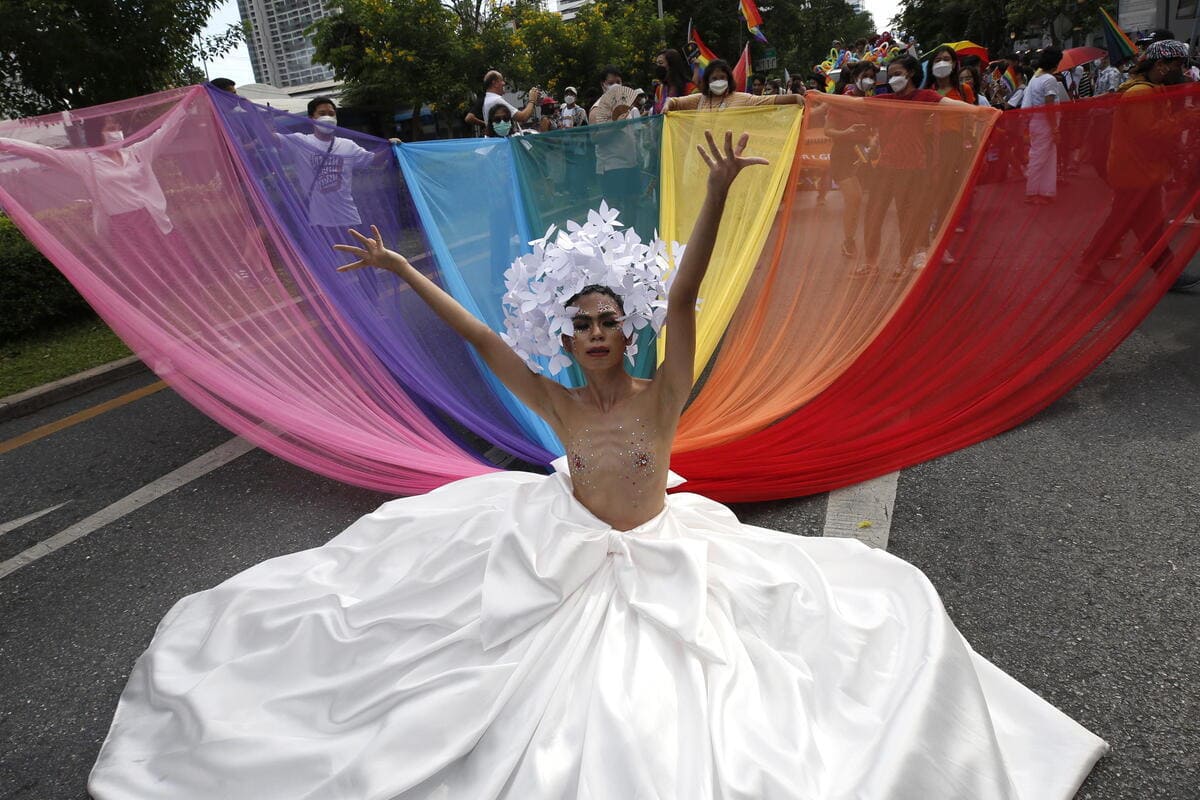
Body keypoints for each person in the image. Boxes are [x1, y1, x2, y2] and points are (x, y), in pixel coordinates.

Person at [88, 129, 1107, 799]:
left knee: (820, 646)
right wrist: (404, 270)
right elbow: (488, 344)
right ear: (565, 338)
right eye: (581, 325)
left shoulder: (664, 391)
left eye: (610, 319)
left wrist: (712, 197)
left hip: (662, 549)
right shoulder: (558, 400)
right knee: (446, 668)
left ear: (628, 325)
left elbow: (693, 293)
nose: (597, 333)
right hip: (568, 552)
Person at [1078, 40, 1199, 291]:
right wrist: (1187, 118)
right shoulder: (1141, 93)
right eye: (1177, 64)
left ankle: (1167, 272)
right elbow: (1149, 133)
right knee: (1125, 224)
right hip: (1134, 172)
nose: (1182, 70)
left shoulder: (1152, 89)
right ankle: (1089, 265)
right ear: (1161, 65)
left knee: (1146, 227)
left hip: (1142, 171)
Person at [860, 54, 967, 277]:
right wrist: (818, 97)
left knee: (907, 216)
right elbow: (855, 103)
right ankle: (871, 262)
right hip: (886, 166)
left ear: (910, 73)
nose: (893, 79)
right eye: (890, 76)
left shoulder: (925, 96)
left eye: (897, 74)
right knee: (873, 214)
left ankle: (903, 261)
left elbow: (955, 106)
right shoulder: (886, 99)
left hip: (913, 167)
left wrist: (986, 112)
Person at [276, 96, 399, 234]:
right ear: (311, 118)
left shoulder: (348, 145)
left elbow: (373, 160)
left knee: (358, 255)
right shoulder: (300, 142)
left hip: (349, 217)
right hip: (318, 221)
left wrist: (390, 146)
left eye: (331, 113)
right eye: (322, 114)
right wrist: (263, 119)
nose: (327, 117)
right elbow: (269, 138)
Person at [825, 62, 875, 258]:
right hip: (842, 155)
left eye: (872, 76)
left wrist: (873, 140)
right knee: (854, 198)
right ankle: (848, 241)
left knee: (861, 200)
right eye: (866, 75)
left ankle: (855, 239)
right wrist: (846, 132)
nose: (869, 79)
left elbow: (874, 130)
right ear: (856, 77)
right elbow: (827, 130)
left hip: (863, 156)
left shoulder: (871, 102)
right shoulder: (841, 101)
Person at [665, 59, 802, 111]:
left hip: (731, 161)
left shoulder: (742, 98)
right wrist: (667, 106)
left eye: (722, 77)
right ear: (707, 81)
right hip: (701, 159)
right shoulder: (700, 100)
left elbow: (768, 100)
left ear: (729, 79)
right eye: (714, 78)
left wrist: (794, 98)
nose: (718, 81)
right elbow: (673, 102)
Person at [1021, 47, 1063, 205]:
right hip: (1045, 123)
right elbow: (1049, 106)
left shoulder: (1036, 77)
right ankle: (1032, 192)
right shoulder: (1049, 80)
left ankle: (1043, 191)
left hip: (1036, 122)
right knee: (1040, 158)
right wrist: (1055, 129)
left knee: (1045, 157)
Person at [652, 48, 694, 113]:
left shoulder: (691, 88)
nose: (658, 67)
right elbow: (655, 115)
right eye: (656, 64)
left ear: (672, 65)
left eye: (661, 63)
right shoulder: (659, 89)